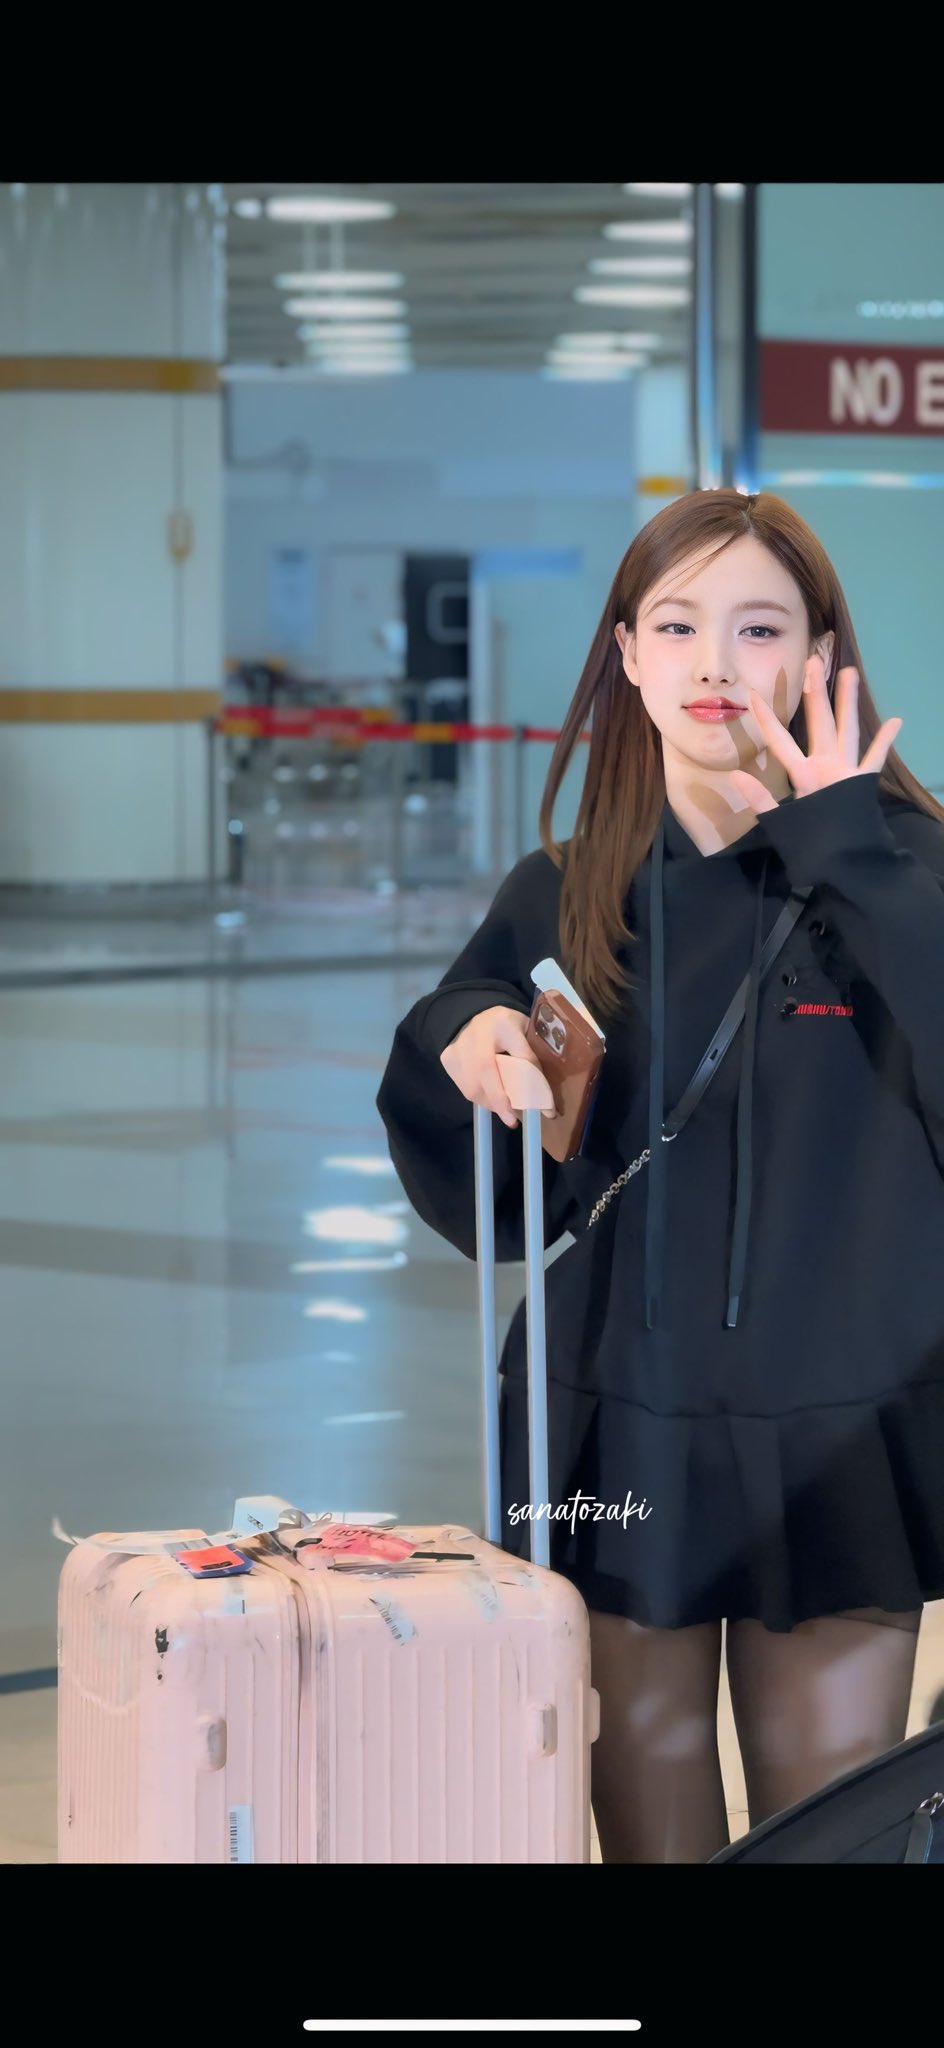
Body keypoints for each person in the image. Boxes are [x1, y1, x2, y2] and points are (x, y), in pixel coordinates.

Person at [376, 489, 944, 1863]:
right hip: (613, 1428)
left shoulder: (905, 874)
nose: (715, 666)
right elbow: (494, 1184)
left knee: (827, 1836)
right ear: (627, 654)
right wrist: (469, 1034)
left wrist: (851, 851)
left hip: (839, 1432)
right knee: (649, 1835)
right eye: (678, 627)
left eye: (760, 628)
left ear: (819, 655)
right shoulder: (567, 889)